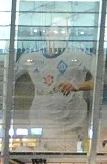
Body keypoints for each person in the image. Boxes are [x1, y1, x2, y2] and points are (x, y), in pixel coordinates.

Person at [16, 13, 93, 151]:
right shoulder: (30, 57)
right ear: (45, 32)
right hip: (39, 122)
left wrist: (78, 86)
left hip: (68, 127)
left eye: (66, 30)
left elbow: (101, 79)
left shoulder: (79, 54)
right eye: (58, 29)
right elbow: (8, 77)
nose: (62, 34)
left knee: (63, 162)